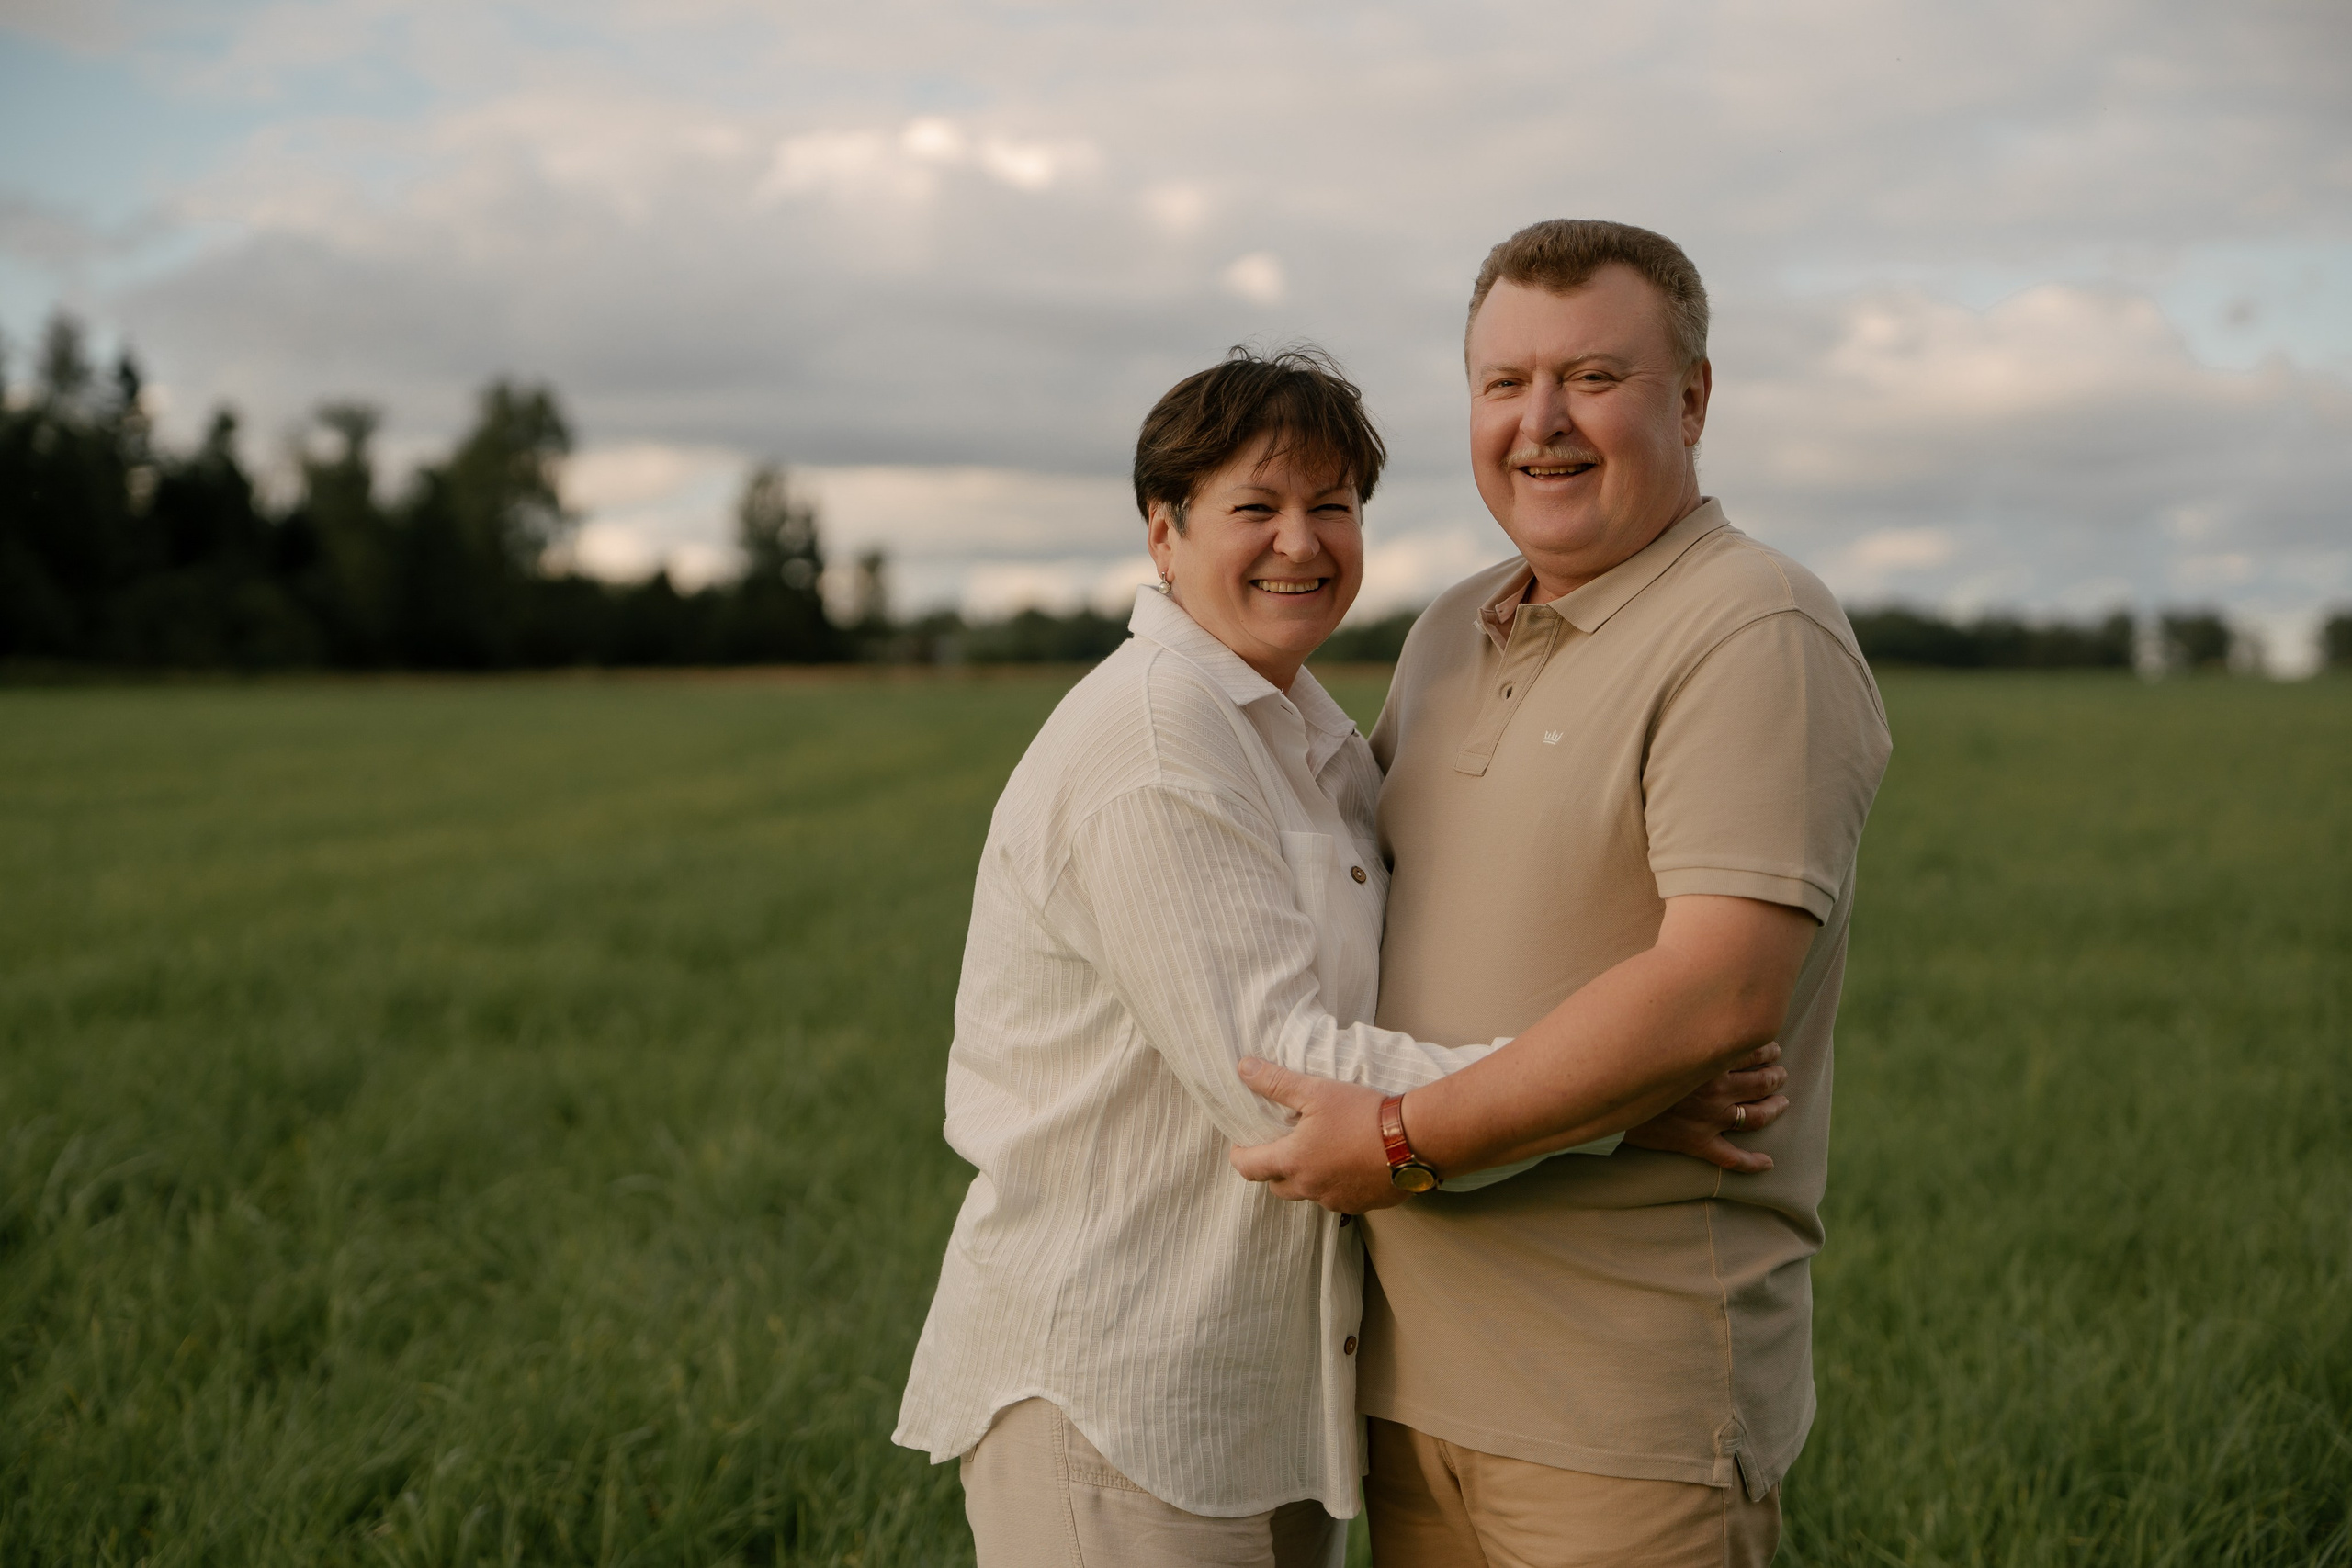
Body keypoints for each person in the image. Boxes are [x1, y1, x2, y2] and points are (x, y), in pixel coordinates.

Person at [892, 346, 1785, 1568]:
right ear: (1164, 533)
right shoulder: (1157, 743)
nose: (1301, 544)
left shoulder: (1310, 739)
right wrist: (1618, 1092)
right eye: (1254, 509)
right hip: (1122, 1397)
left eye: (1333, 507)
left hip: (1274, 1395)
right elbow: (1284, 1076)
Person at [1229, 220, 1894, 1567]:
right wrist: (1585, 1095)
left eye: (1593, 377)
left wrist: (1406, 1137)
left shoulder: (1753, 626)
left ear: (1692, 398)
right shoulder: (1448, 631)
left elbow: (1719, 987)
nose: (1540, 426)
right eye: (1502, 385)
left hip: (1622, 1407)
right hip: (1407, 1384)